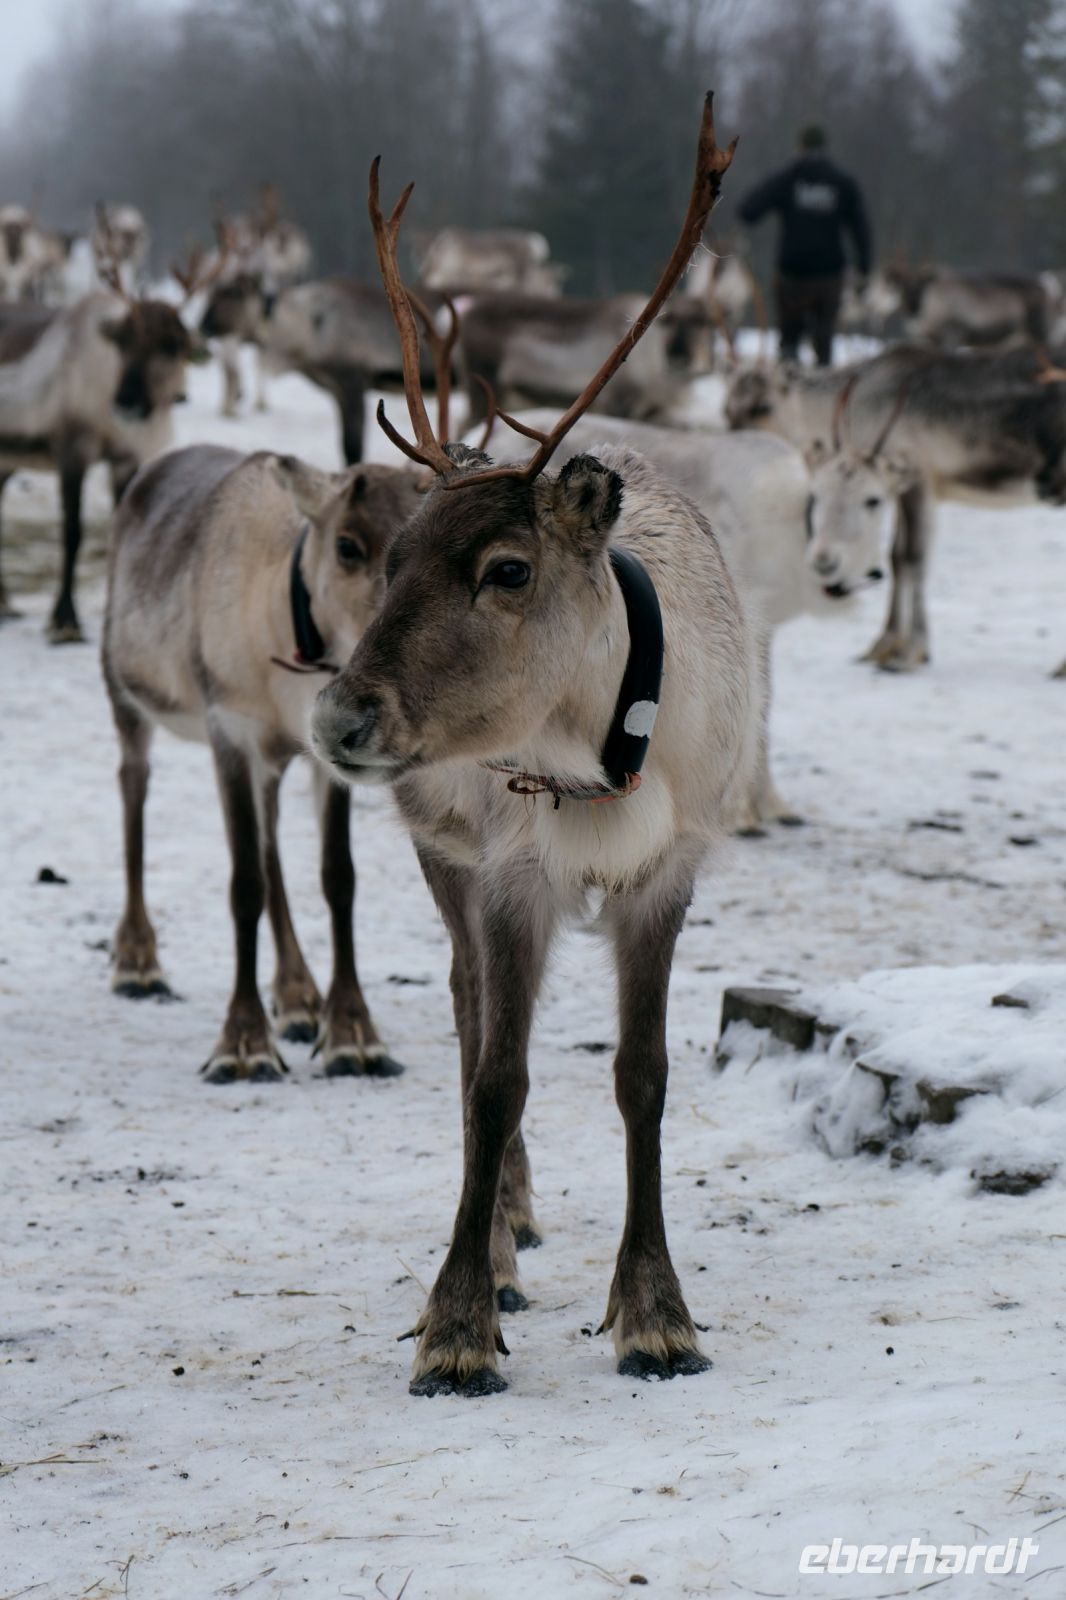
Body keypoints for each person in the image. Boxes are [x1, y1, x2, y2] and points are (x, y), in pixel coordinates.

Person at [738, 124, 871, 366]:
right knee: (824, 342)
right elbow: (861, 229)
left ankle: (789, 382)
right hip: (829, 276)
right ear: (824, 147)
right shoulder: (842, 182)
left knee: (789, 342)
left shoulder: (788, 178)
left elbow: (748, 211)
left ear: (800, 146)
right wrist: (864, 268)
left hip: (793, 276)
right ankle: (823, 388)